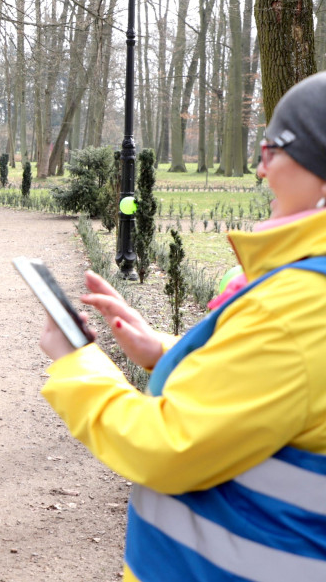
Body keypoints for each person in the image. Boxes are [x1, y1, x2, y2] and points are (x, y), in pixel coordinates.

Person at [35, 71, 326, 582]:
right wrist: (164, 350)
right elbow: (279, 389)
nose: (261, 170)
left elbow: (166, 446)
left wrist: (76, 364)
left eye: (272, 150)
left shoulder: (297, 308)